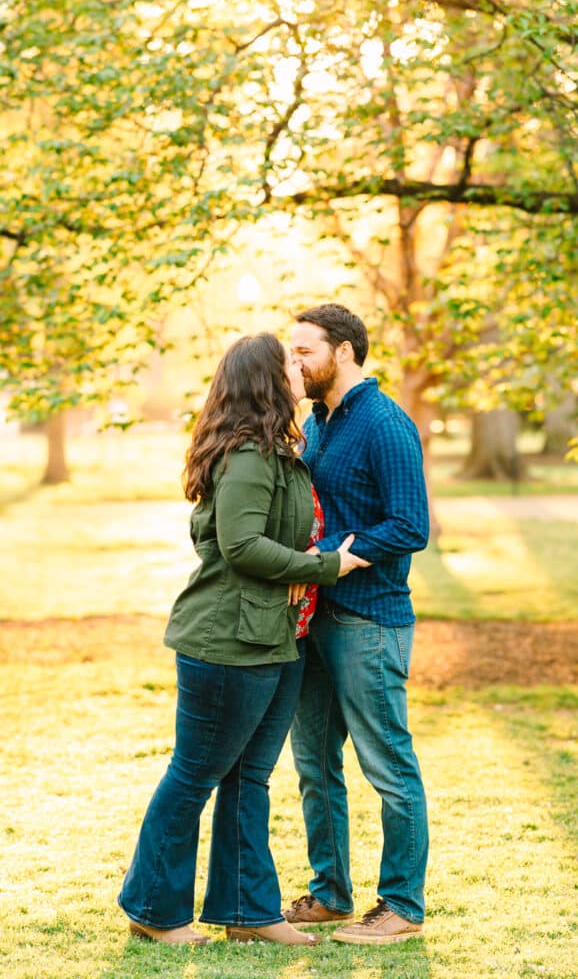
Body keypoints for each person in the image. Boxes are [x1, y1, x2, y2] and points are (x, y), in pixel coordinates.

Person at [118, 332, 368, 947]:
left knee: (248, 779)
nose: (297, 368)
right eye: (288, 361)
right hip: (227, 644)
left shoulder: (277, 449)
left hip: (275, 640)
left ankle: (248, 913)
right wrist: (323, 566)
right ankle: (153, 910)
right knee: (194, 775)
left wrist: (300, 563)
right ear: (265, 380)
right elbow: (241, 546)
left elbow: (268, 541)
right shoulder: (249, 456)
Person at [286, 304, 430, 945]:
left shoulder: (384, 421)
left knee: (388, 767)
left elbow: (410, 525)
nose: (294, 363)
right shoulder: (317, 422)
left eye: (304, 352)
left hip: (370, 620)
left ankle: (401, 907)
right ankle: (330, 894)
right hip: (313, 623)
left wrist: (335, 561)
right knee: (315, 765)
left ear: (343, 352)